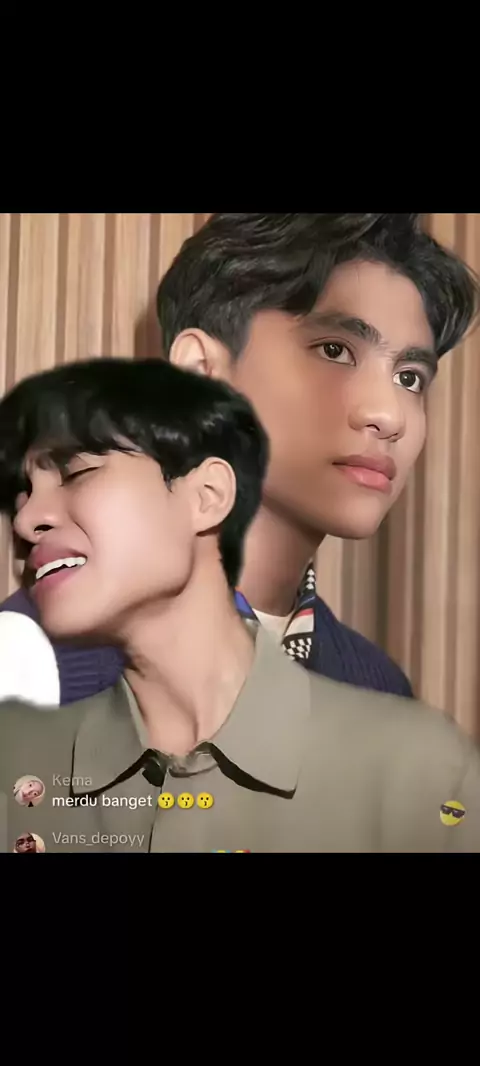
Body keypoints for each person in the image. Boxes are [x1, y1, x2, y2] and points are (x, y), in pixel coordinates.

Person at [0, 357, 479, 854]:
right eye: (23, 493)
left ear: (207, 496)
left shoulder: (416, 761)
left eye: (76, 471)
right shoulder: (17, 752)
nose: (27, 519)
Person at [1, 213, 479, 705]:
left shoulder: (378, 690)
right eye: (335, 350)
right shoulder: (36, 664)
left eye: (409, 378)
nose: (389, 415)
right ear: (202, 373)